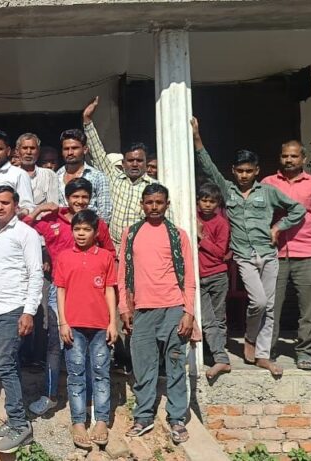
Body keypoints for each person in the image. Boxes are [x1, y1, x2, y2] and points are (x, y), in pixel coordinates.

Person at [193, 118, 303, 376]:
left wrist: (278, 228)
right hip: (243, 256)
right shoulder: (227, 190)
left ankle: (262, 354)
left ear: (257, 171)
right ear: (233, 170)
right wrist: (197, 138)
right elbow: (208, 167)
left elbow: (297, 209)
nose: (244, 175)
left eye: (249, 171)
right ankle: (251, 337)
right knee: (259, 302)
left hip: (268, 253)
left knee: (270, 306)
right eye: (240, 170)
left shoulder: (267, 191)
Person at [22, 177, 114, 416]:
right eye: (75, 196)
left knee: (91, 343)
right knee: (57, 342)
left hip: (91, 290)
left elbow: (109, 255)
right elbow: (25, 227)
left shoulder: (96, 223)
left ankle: (91, 398)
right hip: (59, 290)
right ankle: (50, 395)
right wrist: (40, 209)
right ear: (67, 197)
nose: (80, 201)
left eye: (85, 197)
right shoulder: (54, 219)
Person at [118, 184, 196, 445]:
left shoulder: (178, 235)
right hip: (142, 310)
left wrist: (188, 312)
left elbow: (189, 278)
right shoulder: (131, 234)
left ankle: (177, 419)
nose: (154, 207)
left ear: (167, 204)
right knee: (143, 367)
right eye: (149, 202)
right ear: (142, 204)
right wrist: (124, 307)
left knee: (175, 366)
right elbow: (122, 274)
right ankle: (143, 416)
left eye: (159, 202)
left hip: (173, 308)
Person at [0, 185, 43, 454]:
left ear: (16, 205)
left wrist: (29, 311)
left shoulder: (26, 233)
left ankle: (20, 426)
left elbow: (36, 273)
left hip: (14, 309)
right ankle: (13, 419)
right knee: (8, 365)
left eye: (5, 203)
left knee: (4, 364)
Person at [262, 140, 311, 370]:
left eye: (294, 156)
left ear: (304, 159)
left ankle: (304, 352)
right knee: (270, 306)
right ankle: (268, 350)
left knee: (309, 308)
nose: (289, 160)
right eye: (285, 156)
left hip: (308, 253)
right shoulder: (267, 183)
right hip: (274, 254)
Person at [54, 209, 118, 449]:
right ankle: (78, 422)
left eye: (86, 229)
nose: (81, 234)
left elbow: (109, 289)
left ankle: (101, 421)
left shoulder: (105, 257)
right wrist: (63, 322)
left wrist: (112, 322)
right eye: (77, 229)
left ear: (96, 232)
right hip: (74, 326)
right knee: (76, 375)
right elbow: (60, 290)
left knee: (101, 373)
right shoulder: (64, 257)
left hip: (100, 325)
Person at [82, 97, 158, 244]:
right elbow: (98, 153)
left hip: (141, 246)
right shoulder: (114, 177)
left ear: (146, 163)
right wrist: (87, 120)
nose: (134, 164)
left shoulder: (154, 187)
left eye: (139, 161)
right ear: (123, 163)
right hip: (114, 246)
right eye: (130, 161)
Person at [196, 182, 232, 378]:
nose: (207, 205)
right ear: (198, 201)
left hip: (217, 275)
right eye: (204, 200)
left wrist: (201, 238)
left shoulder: (221, 223)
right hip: (199, 276)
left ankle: (218, 353)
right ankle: (219, 357)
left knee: (218, 319)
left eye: (212, 201)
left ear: (218, 204)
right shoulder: (192, 217)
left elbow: (220, 253)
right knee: (208, 320)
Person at [0, 130, 34, 235]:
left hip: (10, 234)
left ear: (8, 151)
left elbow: (28, 206)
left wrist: (11, 219)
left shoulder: (18, 174)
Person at [56, 128, 111, 223]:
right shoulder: (56, 176)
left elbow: (105, 214)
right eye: (66, 149)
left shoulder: (97, 177)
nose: (70, 153)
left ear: (85, 150)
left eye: (74, 148)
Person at [17, 133, 62, 206]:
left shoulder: (49, 175)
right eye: (25, 148)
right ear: (17, 151)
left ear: (38, 151)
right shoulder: (10, 175)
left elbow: (52, 205)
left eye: (32, 148)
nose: (28, 152)